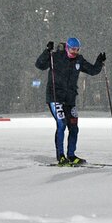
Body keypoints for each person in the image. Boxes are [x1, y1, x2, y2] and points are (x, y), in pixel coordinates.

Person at [35, 37, 105, 166]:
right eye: (73, 49)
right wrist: (47, 51)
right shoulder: (56, 57)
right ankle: (61, 156)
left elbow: (93, 71)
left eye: (77, 49)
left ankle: (71, 155)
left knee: (74, 128)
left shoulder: (79, 60)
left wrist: (99, 61)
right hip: (55, 97)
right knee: (61, 124)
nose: (75, 52)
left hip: (70, 99)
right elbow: (39, 65)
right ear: (67, 47)